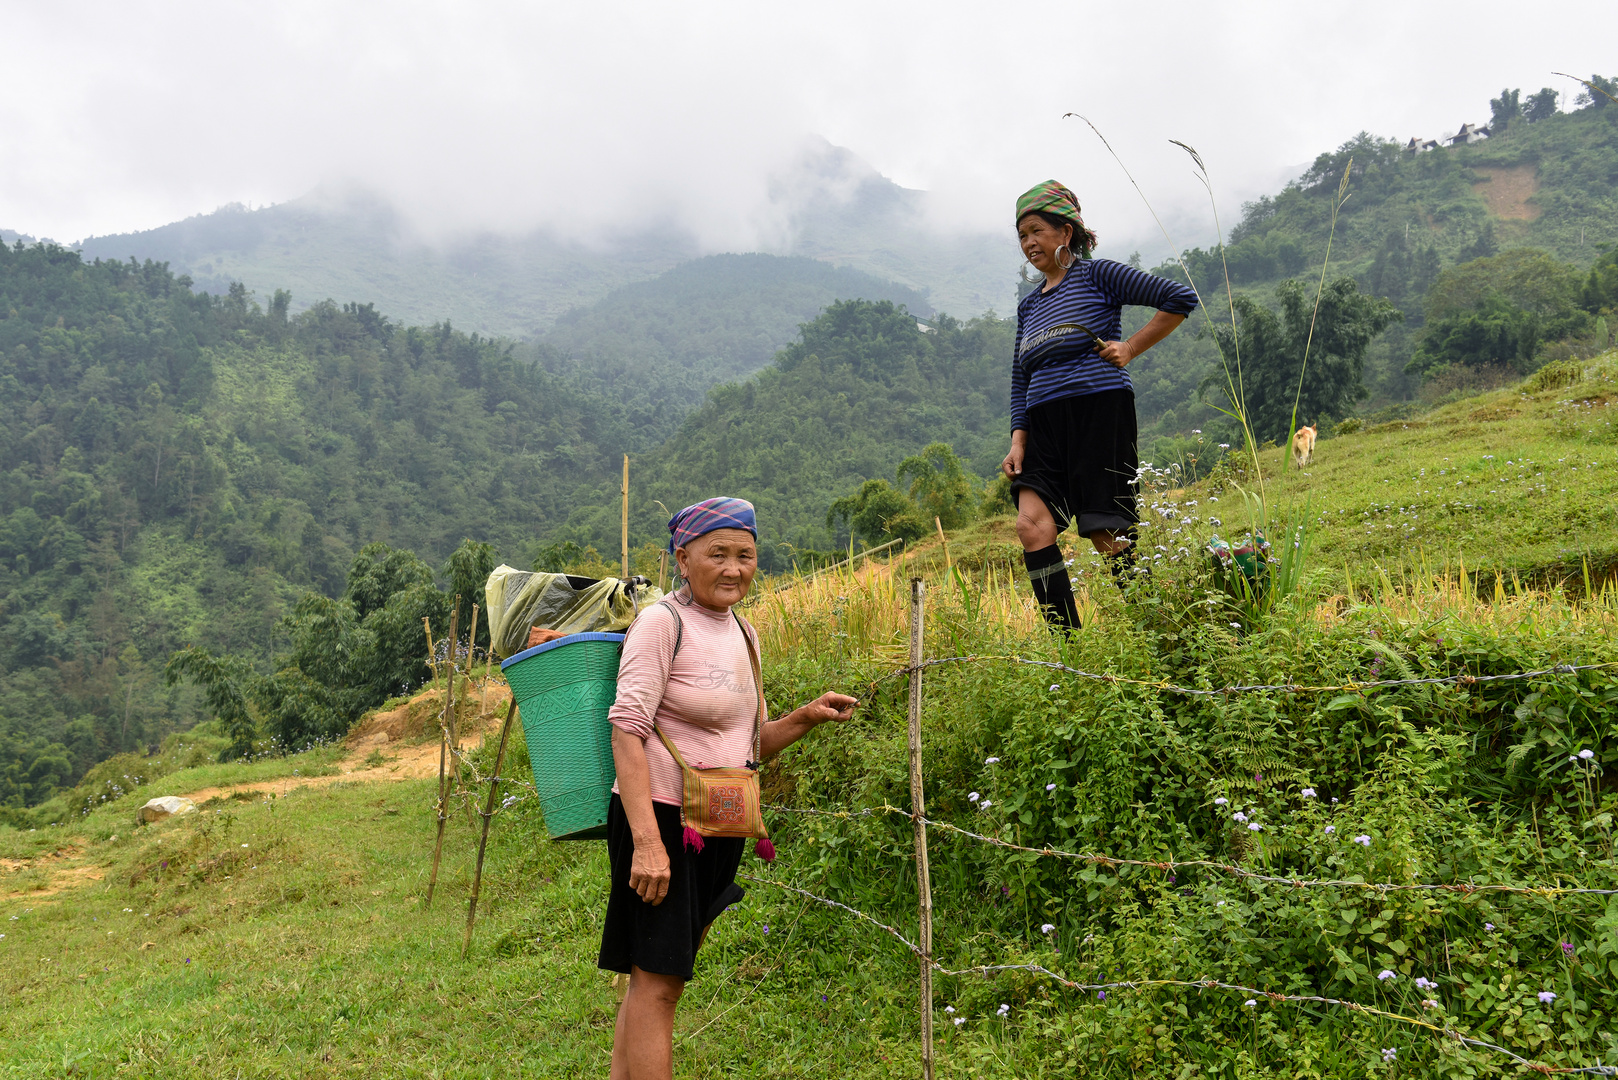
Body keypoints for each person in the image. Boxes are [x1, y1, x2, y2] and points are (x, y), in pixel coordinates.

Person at [601, 496, 859, 1080]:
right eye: (717, 553)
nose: (733, 568)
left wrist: (805, 717)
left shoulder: (745, 633)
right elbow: (626, 730)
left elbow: (745, 746)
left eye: (745, 555)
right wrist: (646, 842)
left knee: (658, 978)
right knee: (660, 985)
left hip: (721, 819)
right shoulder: (661, 623)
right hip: (663, 821)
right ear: (682, 557)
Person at [1002, 180, 1199, 631]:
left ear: (1065, 232)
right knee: (1031, 527)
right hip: (1043, 425)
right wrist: (1018, 440)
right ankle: (1070, 649)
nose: (1029, 242)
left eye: (1036, 230)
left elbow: (1180, 298)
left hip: (1098, 410)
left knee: (1105, 530)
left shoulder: (1098, 275)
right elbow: (1020, 377)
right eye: (1022, 236)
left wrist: (1129, 347)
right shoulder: (1029, 306)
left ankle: (1159, 629)